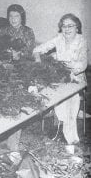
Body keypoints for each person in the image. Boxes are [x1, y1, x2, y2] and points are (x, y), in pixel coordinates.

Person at [33, 13, 87, 147]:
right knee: (53, 90)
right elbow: (37, 49)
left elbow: (82, 65)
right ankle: (61, 129)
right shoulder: (59, 38)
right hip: (60, 77)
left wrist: (65, 63)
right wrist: (38, 59)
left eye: (70, 26)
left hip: (76, 79)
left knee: (68, 96)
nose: (67, 29)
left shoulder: (82, 41)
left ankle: (68, 135)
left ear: (77, 28)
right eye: (64, 26)